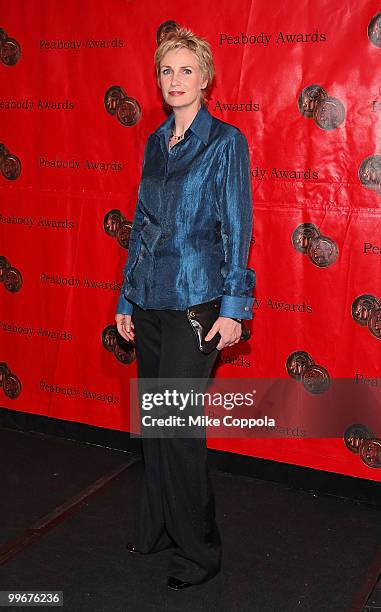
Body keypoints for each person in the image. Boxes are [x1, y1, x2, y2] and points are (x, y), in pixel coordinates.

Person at [115, 25, 255, 590]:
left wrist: (234, 306)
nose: (176, 80)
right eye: (167, 71)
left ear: (206, 80)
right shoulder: (154, 142)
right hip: (149, 299)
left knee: (178, 429)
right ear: (158, 80)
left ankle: (200, 552)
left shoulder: (226, 142)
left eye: (187, 71)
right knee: (155, 425)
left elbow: (238, 228)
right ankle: (158, 530)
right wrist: (126, 295)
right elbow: (143, 225)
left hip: (197, 302)